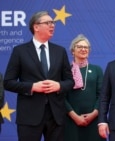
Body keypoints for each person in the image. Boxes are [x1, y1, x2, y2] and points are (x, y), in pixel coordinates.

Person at [4, 11, 74, 141]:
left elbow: (70, 81)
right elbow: (8, 82)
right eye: (48, 23)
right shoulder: (20, 51)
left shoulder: (60, 51)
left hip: (56, 116)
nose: (52, 25)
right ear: (36, 27)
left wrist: (59, 85)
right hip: (29, 116)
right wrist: (32, 87)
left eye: (53, 22)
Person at [65, 34, 105, 141]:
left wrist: (93, 114)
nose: (83, 49)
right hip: (71, 121)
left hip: (94, 120)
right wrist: (75, 117)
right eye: (79, 47)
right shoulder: (65, 71)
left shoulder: (97, 70)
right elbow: (61, 97)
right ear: (73, 51)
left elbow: (102, 95)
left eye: (86, 47)